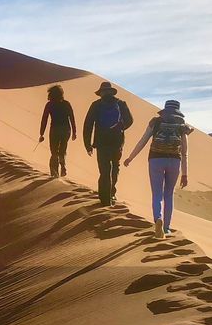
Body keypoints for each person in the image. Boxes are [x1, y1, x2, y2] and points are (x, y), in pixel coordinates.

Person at [124, 99, 192, 238]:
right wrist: (185, 174)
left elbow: (142, 141)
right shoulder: (182, 126)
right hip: (174, 161)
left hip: (155, 160)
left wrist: (130, 158)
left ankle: (157, 219)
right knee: (169, 195)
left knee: (157, 194)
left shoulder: (155, 122)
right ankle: (166, 228)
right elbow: (185, 152)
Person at [82, 81, 134, 205]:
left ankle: (104, 198)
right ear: (111, 92)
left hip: (101, 143)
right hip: (117, 142)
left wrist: (87, 144)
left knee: (104, 170)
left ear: (101, 93)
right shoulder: (121, 103)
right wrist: (120, 127)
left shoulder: (96, 105)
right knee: (115, 168)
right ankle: (112, 193)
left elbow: (88, 125)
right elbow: (130, 120)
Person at [38, 85, 77, 178]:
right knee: (62, 149)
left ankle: (54, 173)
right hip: (66, 129)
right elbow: (72, 118)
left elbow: (44, 119)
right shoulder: (66, 104)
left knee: (54, 151)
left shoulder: (49, 104)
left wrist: (41, 133)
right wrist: (74, 132)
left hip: (55, 129)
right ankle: (62, 165)